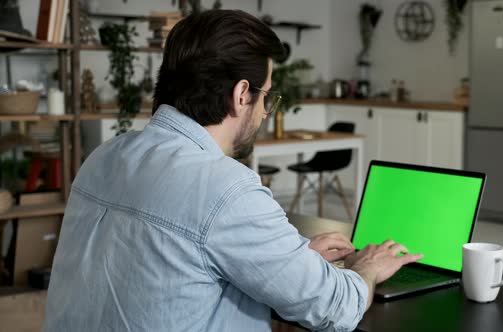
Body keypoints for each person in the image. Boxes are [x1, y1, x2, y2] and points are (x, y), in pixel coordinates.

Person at [43, 9, 423, 332]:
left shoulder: (105, 156)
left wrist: (288, 259)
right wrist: (366, 269)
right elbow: (334, 308)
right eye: (266, 96)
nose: (263, 111)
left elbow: (174, 259)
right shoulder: (227, 188)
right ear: (242, 95)